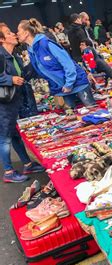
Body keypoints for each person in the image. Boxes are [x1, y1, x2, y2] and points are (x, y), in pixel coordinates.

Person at [18, 18, 95, 109]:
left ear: (26, 33)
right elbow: (42, 70)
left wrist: (69, 83)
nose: (17, 34)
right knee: (72, 117)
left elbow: (68, 64)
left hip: (77, 83)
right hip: (63, 88)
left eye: (19, 31)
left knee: (92, 112)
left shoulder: (46, 44)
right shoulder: (31, 50)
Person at [0, 23, 43, 183]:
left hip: (12, 102)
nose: (13, 34)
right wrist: (10, 79)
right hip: (3, 104)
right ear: (2, 40)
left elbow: (23, 75)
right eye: (9, 32)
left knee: (15, 135)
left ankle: (27, 163)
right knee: (4, 138)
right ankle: (9, 172)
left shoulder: (14, 57)